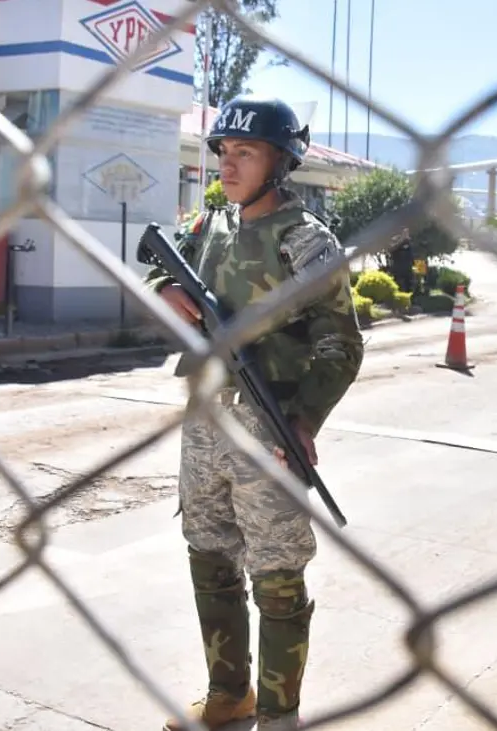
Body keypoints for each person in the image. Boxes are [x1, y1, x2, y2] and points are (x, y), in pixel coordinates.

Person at [143, 95, 365, 731]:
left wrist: (304, 420)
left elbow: (340, 343)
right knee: (208, 554)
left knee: (277, 573)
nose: (229, 164)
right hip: (205, 418)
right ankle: (228, 692)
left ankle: (278, 715)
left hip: (268, 423)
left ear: (280, 162)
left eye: (246, 152)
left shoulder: (306, 240)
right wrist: (165, 288)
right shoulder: (208, 226)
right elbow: (156, 269)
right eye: (224, 151)